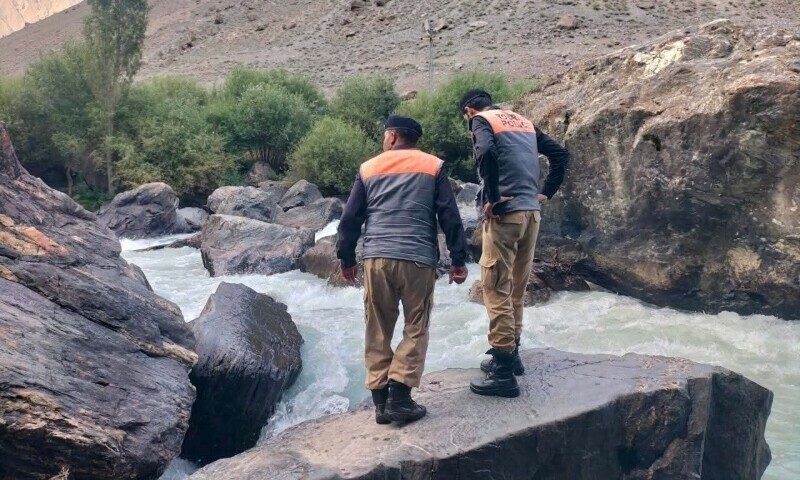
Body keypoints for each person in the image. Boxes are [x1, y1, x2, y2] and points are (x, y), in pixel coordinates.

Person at [336, 114, 469, 424]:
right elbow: (450, 216)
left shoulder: (369, 168)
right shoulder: (433, 166)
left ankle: (381, 404)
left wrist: (346, 259)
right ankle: (400, 397)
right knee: (416, 325)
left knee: (377, 327)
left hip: (377, 259)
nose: (384, 141)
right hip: (418, 259)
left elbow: (350, 219)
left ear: (393, 137)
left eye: (385, 136)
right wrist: (459, 260)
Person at [460, 89, 569, 398]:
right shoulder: (522, 122)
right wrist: (546, 191)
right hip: (531, 215)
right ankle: (513, 354)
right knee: (517, 288)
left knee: (494, 287)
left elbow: (487, 153)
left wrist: (493, 197)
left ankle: (504, 373)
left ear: (469, 110)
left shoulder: (482, 121)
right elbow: (560, 154)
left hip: (505, 215)